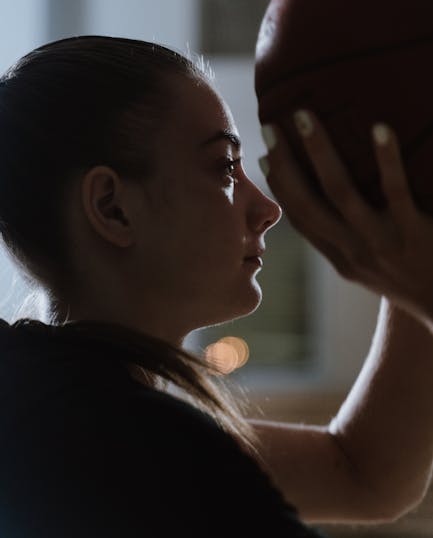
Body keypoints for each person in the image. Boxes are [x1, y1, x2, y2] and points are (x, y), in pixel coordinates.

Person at [0, 35, 432, 537]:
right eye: (225, 167)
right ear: (111, 208)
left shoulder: (53, 409)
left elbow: (365, 474)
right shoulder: (149, 450)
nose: (268, 211)